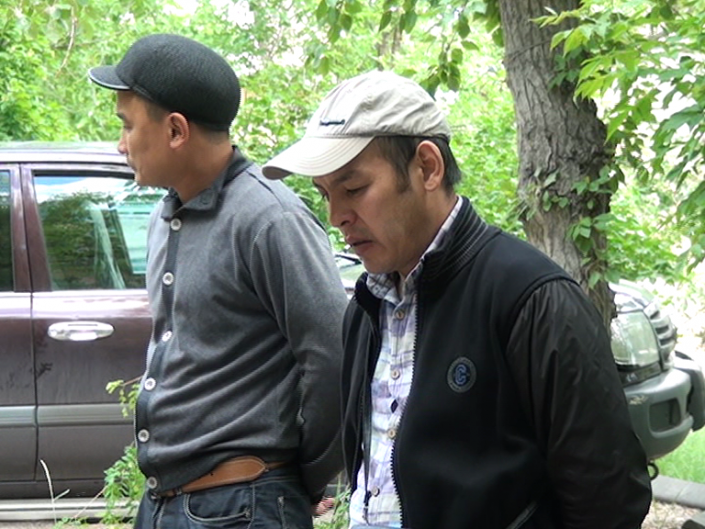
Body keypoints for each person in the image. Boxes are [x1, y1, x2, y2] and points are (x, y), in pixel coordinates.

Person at [262, 70, 652, 529]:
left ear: (428, 167)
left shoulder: (531, 298)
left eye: (353, 189)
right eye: (325, 194)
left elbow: (608, 499)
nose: (336, 216)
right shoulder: (365, 311)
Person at [89, 34, 348, 529]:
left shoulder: (270, 218)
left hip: (243, 507)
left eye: (127, 125)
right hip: (165, 503)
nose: (120, 144)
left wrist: (303, 477)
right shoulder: (164, 217)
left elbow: (335, 355)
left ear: (176, 130)